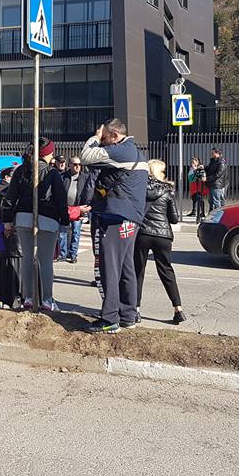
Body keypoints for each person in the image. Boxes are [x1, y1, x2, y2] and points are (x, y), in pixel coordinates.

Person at [80, 119, 149, 334]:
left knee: (109, 267)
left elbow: (86, 157)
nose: (103, 143)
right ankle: (128, 315)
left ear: (114, 136)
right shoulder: (136, 153)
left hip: (116, 217)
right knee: (126, 268)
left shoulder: (122, 151)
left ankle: (110, 318)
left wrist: (94, 137)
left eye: (105, 139)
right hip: (131, 218)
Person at [5, 139, 68, 312]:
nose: (52, 155)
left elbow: (10, 197)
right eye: (51, 152)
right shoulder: (52, 172)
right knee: (45, 261)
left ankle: (29, 297)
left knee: (27, 258)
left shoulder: (21, 170)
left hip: (23, 217)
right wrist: (65, 220)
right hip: (48, 218)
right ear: (46, 154)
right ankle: (47, 299)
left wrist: (8, 219)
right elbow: (61, 199)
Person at [135, 159, 186, 324]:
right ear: (158, 172)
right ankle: (178, 309)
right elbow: (174, 219)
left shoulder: (139, 189)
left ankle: (135, 310)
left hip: (142, 233)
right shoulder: (167, 191)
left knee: (138, 271)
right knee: (166, 271)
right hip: (163, 236)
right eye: (163, 171)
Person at [0, 166, 22, 308]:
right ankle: (8, 295)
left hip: (7, 233)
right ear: (7, 177)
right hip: (8, 233)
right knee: (8, 266)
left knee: (4, 265)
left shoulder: (2, 190)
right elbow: (4, 212)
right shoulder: (3, 192)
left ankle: (2, 293)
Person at [59, 157, 90, 263]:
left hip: (78, 209)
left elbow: (88, 193)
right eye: (75, 164)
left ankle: (73, 254)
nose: (78, 166)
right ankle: (62, 254)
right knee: (63, 232)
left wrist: (85, 208)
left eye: (79, 164)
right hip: (65, 209)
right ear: (70, 165)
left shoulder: (85, 177)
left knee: (76, 232)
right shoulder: (63, 177)